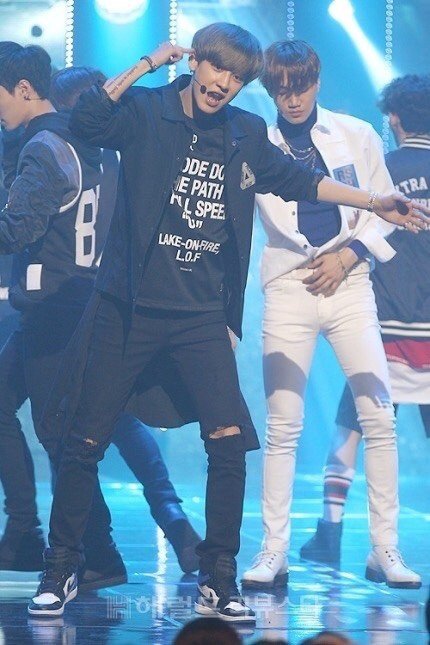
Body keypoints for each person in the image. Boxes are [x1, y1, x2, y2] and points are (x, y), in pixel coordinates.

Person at [25, 24, 427, 619]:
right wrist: (146, 63)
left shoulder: (243, 132)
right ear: (197, 63)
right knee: (84, 439)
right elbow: (86, 119)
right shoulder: (148, 111)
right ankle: (60, 567)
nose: (224, 85)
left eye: (237, 78)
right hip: (129, 308)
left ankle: (219, 576)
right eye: (217, 70)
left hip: (200, 317)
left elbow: (299, 180)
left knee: (230, 443)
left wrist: (374, 202)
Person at [0, 64, 201, 579]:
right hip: (96, 301)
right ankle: (42, 532)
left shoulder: (54, 147)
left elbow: (20, 227)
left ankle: (92, 547)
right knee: (108, 421)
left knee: (65, 433)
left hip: (59, 307)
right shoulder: (112, 154)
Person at [242, 41, 422, 591]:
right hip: (289, 284)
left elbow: (385, 209)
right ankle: (273, 551)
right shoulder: (255, 142)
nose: (292, 99)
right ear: (270, 91)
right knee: (283, 425)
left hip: (350, 284)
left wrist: (348, 257)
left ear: (317, 82)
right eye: (281, 90)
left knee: (379, 417)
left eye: (300, 87)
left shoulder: (357, 134)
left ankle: (384, 549)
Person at [299, 74, 430, 568]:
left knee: (350, 427)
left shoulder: (381, 170)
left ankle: (329, 532)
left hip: (386, 323)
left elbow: (351, 237)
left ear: (393, 119)